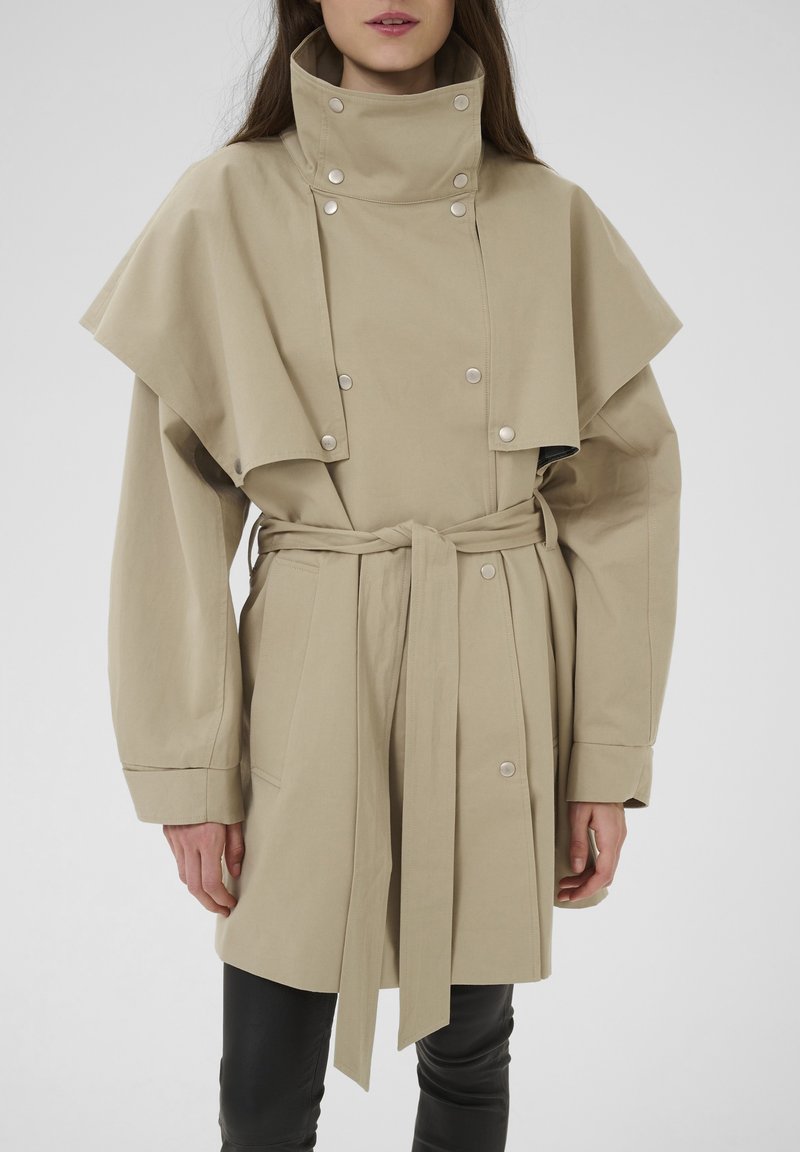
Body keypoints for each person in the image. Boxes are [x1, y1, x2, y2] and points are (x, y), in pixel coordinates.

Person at [78, 1, 683, 1149]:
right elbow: (170, 515)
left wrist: (604, 757)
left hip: (497, 656)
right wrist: (190, 771)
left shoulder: (545, 215)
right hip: (311, 670)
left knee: (470, 1052)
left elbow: (624, 502)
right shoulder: (223, 205)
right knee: (266, 1073)